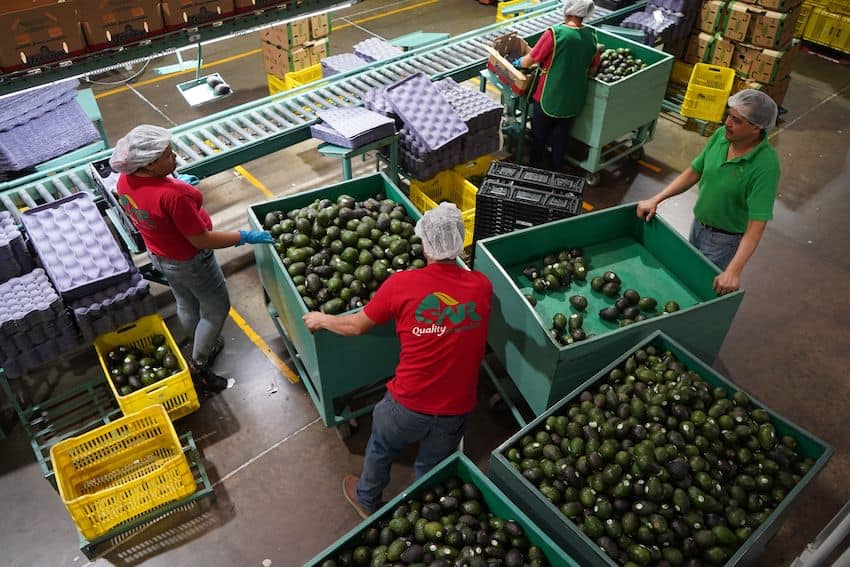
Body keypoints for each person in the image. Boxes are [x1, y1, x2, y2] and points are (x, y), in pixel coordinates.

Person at [302, 203, 493, 519]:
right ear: (460, 241)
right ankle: (421, 513)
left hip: (407, 403)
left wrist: (322, 319)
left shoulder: (401, 284)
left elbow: (354, 325)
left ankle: (367, 498)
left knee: (381, 446)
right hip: (456, 408)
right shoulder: (482, 286)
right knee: (432, 467)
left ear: (424, 244)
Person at [110, 124, 273, 392]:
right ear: (149, 165)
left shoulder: (125, 181)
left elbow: (150, 202)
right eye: (168, 155)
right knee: (216, 308)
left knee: (185, 301)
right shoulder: (173, 196)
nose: (175, 158)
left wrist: (173, 182)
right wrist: (244, 236)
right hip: (191, 261)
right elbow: (202, 239)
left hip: (161, 255)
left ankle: (200, 339)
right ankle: (199, 365)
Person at [636, 90, 780, 295]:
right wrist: (657, 199)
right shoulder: (722, 136)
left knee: (702, 288)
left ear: (756, 127)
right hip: (698, 225)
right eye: (729, 115)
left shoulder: (765, 166)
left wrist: (733, 270)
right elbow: (695, 171)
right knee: (687, 275)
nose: (727, 123)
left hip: (724, 240)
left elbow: (756, 226)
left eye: (736, 120)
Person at [514, 0, 599, 171]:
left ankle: (535, 168)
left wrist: (516, 63)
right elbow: (593, 68)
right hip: (573, 98)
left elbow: (530, 60)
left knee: (539, 136)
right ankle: (555, 170)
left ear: (567, 10)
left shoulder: (555, 33)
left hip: (549, 95)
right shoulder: (592, 35)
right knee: (561, 137)